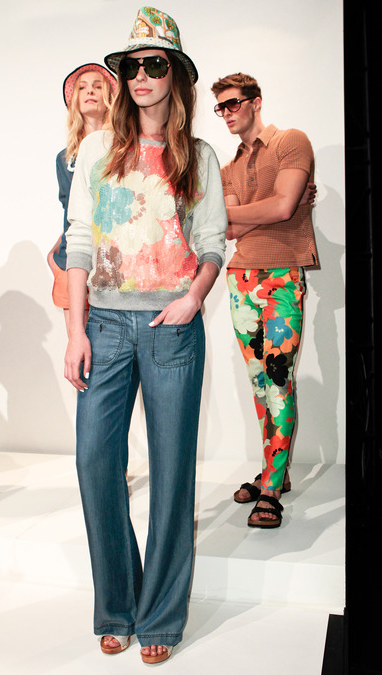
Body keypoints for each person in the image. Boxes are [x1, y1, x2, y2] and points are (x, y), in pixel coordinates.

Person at [64, 6, 227, 664]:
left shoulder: (199, 155)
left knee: (172, 472)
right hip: (103, 324)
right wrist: (75, 329)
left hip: (171, 328)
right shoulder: (97, 149)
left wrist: (192, 298)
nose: (139, 75)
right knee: (94, 462)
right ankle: (117, 604)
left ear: (175, 75)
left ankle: (159, 615)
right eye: (130, 65)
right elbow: (78, 240)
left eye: (153, 64)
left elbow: (212, 244)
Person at [211, 72, 319, 529]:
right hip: (240, 278)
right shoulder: (227, 168)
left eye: (233, 103)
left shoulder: (291, 141)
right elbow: (231, 227)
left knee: (278, 377)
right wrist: (275, 205)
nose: (227, 113)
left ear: (256, 101)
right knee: (260, 382)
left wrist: (279, 205)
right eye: (221, 107)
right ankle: (277, 470)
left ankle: (271, 488)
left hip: (282, 274)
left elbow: (282, 208)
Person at [47, 63, 117, 332]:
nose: (90, 91)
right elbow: (70, 210)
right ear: (74, 99)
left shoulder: (122, 149)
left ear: (109, 97)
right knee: (78, 349)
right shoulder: (64, 158)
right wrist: (54, 255)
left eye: (98, 86)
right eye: (83, 87)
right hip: (72, 262)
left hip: (114, 262)